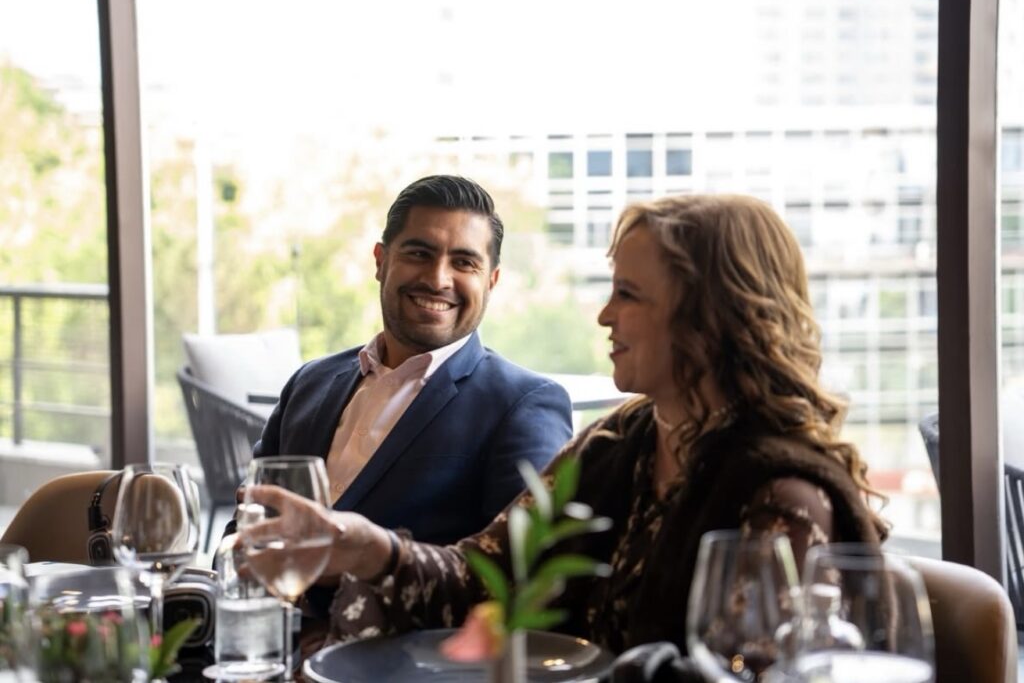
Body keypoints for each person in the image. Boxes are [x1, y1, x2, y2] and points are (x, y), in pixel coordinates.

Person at [247, 194, 887, 655]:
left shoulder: (783, 497)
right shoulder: (616, 443)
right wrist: (371, 548)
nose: (605, 315)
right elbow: (483, 577)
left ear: (707, 316)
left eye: (628, 294)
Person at [245, 175, 573, 613]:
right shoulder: (309, 382)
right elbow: (244, 527)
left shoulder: (525, 405)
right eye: (419, 253)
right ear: (381, 261)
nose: (438, 279)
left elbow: (527, 581)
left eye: (464, 262)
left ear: (491, 281)